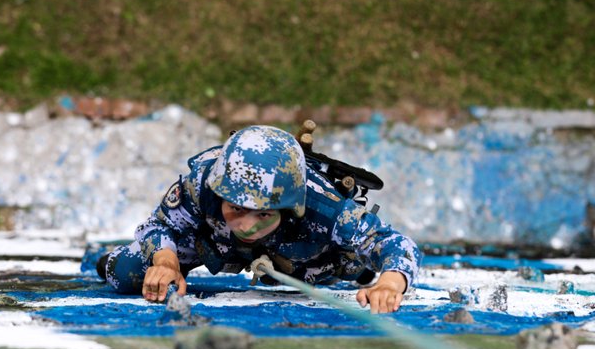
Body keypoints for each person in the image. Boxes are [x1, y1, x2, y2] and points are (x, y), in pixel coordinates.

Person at [98, 125, 422, 314]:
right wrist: (165, 262)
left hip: (307, 260)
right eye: (236, 208)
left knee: (355, 264)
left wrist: (390, 282)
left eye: (263, 213)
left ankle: (355, 266)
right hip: (219, 246)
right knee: (124, 271)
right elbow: (160, 225)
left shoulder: (326, 207)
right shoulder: (205, 183)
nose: (247, 225)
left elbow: (394, 243)